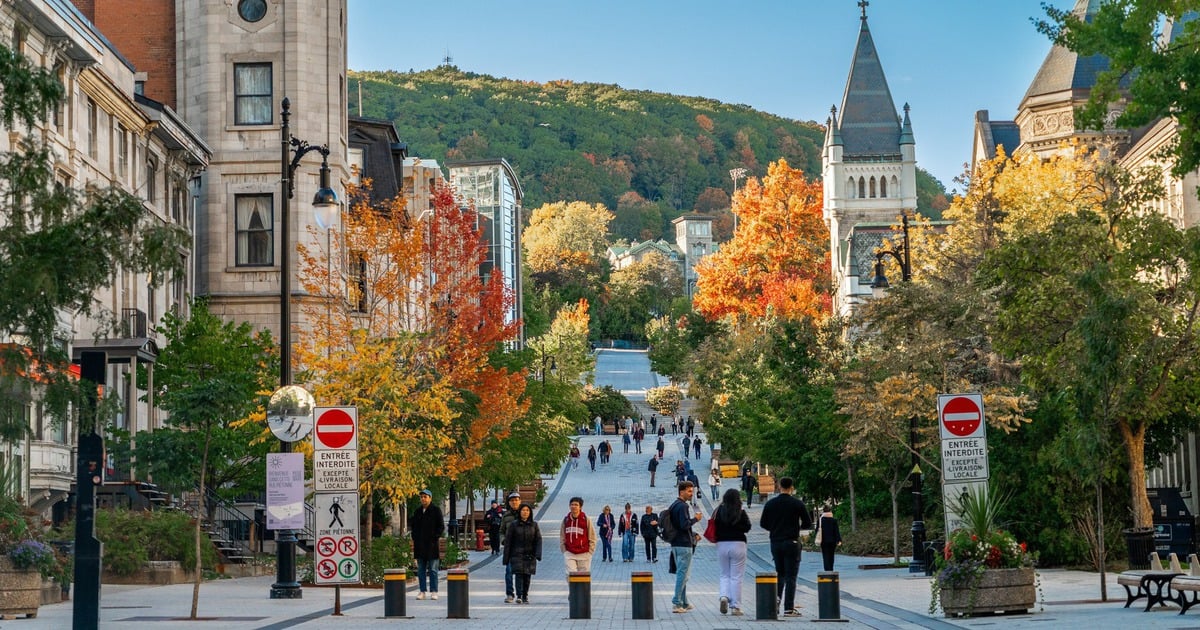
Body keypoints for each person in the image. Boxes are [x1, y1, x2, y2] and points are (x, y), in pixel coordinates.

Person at [760, 476, 813, 617]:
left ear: (779, 487)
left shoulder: (770, 504)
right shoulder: (797, 504)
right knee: (791, 576)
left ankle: (775, 603)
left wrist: (775, 528)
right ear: (792, 488)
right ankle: (788, 608)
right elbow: (808, 523)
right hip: (792, 542)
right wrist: (797, 528)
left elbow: (763, 523)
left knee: (780, 573)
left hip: (776, 542)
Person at [713, 488, 752, 616]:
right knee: (736, 576)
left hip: (722, 544)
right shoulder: (740, 511)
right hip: (738, 544)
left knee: (724, 574)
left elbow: (714, 526)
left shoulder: (719, 511)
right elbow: (747, 527)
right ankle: (735, 606)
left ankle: (724, 596)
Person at [668, 481, 702, 613]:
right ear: (681, 491)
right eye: (689, 491)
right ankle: (677, 603)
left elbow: (677, 526)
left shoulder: (674, 505)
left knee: (682, 573)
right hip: (684, 544)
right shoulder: (683, 507)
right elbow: (684, 525)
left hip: (675, 543)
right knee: (683, 575)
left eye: (692, 491)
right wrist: (696, 519)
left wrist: (694, 534)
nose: (691, 494)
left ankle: (684, 602)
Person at [503, 503, 542, 604]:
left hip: (529, 554)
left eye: (527, 510)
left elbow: (538, 540)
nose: (525, 512)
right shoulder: (514, 525)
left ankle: (525, 595)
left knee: (527, 576)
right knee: (519, 575)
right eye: (523, 510)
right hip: (516, 554)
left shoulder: (534, 525)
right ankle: (519, 595)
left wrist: (538, 553)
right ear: (520, 512)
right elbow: (508, 541)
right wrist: (506, 557)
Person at [410, 489, 444, 600]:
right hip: (420, 546)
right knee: (421, 570)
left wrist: (434, 538)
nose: (423, 499)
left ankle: (434, 591)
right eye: (421, 497)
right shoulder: (418, 511)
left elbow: (441, 526)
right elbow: (413, 527)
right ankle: (422, 591)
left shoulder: (436, 510)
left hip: (432, 545)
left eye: (425, 496)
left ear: (430, 498)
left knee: (433, 570)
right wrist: (415, 538)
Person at [560, 496, 596, 572]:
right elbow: (562, 535)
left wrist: (590, 551)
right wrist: (564, 550)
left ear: (580, 507)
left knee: (583, 578)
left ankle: (580, 584)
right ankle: (573, 584)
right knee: (570, 574)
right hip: (570, 553)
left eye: (576, 505)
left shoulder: (586, 519)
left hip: (584, 553)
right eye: (572, 504)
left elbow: (592, 536)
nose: (574, 506)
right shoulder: (566, 520)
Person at [500, 491, 522, 602]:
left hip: (522, 548)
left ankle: (521, 594)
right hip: (510, 548)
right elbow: (501, 531)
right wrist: (504, 540)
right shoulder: (506, 516)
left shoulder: (524, 513)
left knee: (520, 572)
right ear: (509, 502)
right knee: (509, 571)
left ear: (520, 501)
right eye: (512, 500)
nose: (514, 502)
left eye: (516, 500)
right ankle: (509, 594)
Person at [817, 505, 842, 572]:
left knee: (825, 555)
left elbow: (817, 530)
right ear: (830, 511)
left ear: (823, 511)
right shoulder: (833, 520)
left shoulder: (820, 520)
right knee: (831, 555)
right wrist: (839, 540)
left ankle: (826, 569)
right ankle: (831, 568)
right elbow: (836, 531)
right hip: (832, 541)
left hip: (823, 541)